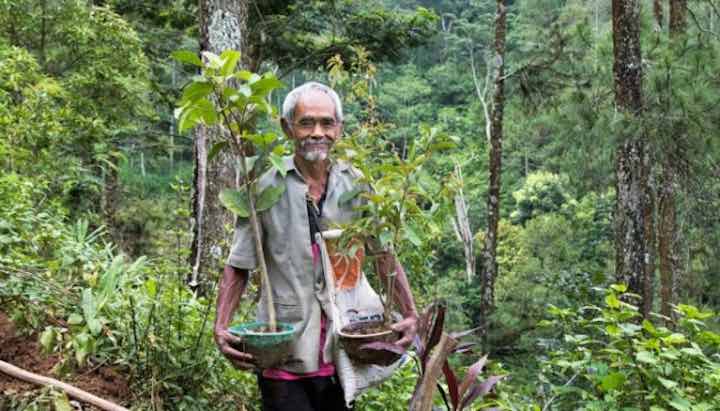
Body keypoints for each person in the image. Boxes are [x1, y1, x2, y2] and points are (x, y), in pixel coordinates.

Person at [213, 81, 418, 411]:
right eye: (306, 122)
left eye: (327, 123)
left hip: (344, 348)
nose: (317, 132)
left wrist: (409, 313)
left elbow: (384, 255)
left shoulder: (356, 184)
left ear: (339, 128)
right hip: (285, 351)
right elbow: (239, 264)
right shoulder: (264, 190)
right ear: (287, 127)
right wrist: (221, 327)